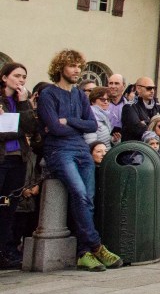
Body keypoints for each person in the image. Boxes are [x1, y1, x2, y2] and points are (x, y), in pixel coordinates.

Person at [37, 50, 122, 272]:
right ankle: (95, 245)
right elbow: (54, 128)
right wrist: (70, 124)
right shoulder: (48, 94)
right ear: (60, 68)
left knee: (89, 199)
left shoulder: (80, 96)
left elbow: (91, 125)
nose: (77, 70)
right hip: (59, 151)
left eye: (78, 66)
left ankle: (84, 253)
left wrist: (69, 121)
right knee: (80, 194)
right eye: (72, 66)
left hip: (81, 149)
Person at [0, 62, 39, 269]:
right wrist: (19, 129)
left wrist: (24, 104)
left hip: (18, 160)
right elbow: (3, 132)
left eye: (24, 76)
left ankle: (4, 251)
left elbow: (31, 127)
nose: (21, 80)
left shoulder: (21, 100)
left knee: (9, 206)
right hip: (2, 159)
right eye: (17, 76)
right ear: (5, 78)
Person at [120, 77, 160, 142]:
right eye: (149, 88)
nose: (152, 91)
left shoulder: (157, 106)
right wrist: (156, 124)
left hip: (154, 148)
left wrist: (146, 122)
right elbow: (138, 129)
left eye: (154, 88)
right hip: (135, 148)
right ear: (138, 89)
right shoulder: (129, 107)